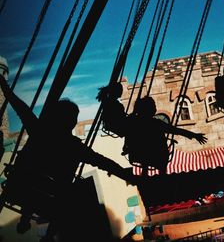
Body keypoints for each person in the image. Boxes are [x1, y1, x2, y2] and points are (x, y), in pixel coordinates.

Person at [0, 75, 132, 242]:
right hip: (52, 201)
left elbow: (19, 106)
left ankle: (25, 218)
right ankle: (49, 235)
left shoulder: (39, 130)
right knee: (69, 196)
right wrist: (127, 175)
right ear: (72, 121)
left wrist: (4, 87)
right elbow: (103, 162)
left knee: (33, 175)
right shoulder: (75, 147)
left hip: (22, 188)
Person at [123, 96, 207, 176]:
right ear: (148, 109)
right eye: (153, 106)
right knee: (159, 155)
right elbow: (175, 130)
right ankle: (162, 175)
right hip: (156, 154)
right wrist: (193, 135)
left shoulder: (133, 121)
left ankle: (146, 174)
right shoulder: (155, 123)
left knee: (146, 156)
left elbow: (128, 131)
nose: (155, 109)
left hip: (140, 154)